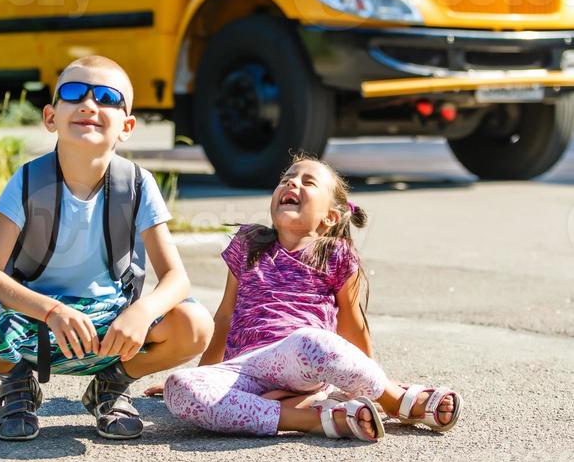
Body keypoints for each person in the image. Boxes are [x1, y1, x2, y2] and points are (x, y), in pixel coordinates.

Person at [0, 54, 214, 441]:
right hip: (37, 325)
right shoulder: (28, 182)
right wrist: (52, 310)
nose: (90, 104)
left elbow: (176, 277)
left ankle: (111, 386)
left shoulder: (138, 184)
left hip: (110, 329)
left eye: (107, 97)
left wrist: (142, 312)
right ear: (50, 117)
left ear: (127, 126)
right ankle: (18, 384)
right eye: (74, 93)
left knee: (194, 324)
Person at [162, 154, 463, 441]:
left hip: (301, 359)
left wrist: (371, 385)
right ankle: (312, 417)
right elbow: (225, 315)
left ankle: (396, 400)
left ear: (330, 217)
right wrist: (207, 375)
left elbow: (352, 325)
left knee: (313, 341)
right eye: (287, 179)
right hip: (247, 369)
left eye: (308, 182)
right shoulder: (248, 244)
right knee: (178, 388)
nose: (292, 184)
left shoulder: (335, 255)